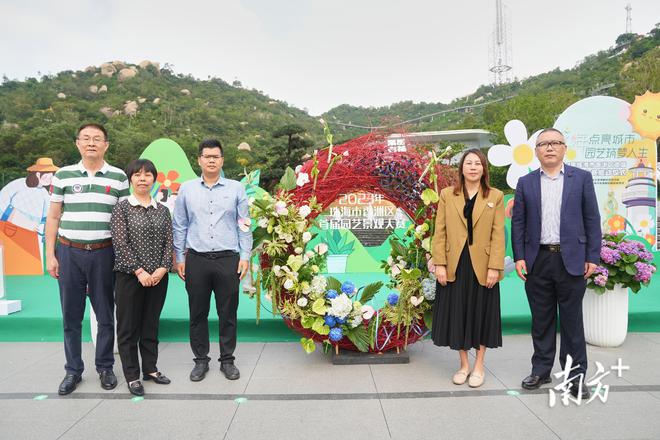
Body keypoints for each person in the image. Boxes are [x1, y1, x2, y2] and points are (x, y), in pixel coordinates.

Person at [511, 128, 601, 400]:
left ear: (564, 148)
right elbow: (519, 223)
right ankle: (541, 369)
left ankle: (576, 377)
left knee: (572, 321)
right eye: (543, 144)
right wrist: (519, 256)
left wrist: (592, 258)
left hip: (572, 260)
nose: (549, 148)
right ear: (536, 151)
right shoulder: (525, 183)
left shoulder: (581, 179)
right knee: (541, 319)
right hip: (538, 260)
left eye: (555, 143)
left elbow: (592, 220)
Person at [45, 123, 129, 395]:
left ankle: (105, 367)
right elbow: (54, 217)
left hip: (105, 253)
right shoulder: (63, 175)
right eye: (86, 138)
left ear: (106, 144)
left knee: (105, 314)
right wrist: (51, 255)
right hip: (70, 252)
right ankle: (73, 371)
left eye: (97, 139)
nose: (91, 143)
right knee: (71, 315)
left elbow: (125, 218)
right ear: (77, 143)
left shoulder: (118, 178)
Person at [173, 139, 252, 382]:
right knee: (197, 313)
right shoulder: (186, 189)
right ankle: (200, 361)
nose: (211, 160)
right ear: (199, 160)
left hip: (228, 259)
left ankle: (227, 361)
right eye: (206, 156)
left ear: (222, 160)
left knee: (228, 313)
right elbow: (180, 225)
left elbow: (244, 224)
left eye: (215, 156)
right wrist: (179, 258)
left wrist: (245, 255)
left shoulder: (236, 188)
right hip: (196, 259)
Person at [431, 148, 505, 388]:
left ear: (484, 169)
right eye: (468, 163)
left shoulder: (495, 195)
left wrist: (495, 267)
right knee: (458, 314)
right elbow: (439, 231)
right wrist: (440, 263)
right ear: (461, 168)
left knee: (481, 314)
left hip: (483, 266)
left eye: (478, 163)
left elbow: (498, 235)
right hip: (455, 264)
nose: (473, 167)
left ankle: (479, 366)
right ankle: (463, 365)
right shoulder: (446, 195)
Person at [110, 159, 173, 396]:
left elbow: (170, 242)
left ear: (154, 179)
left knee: (151, 324)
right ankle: (132, 376)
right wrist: (140, 271)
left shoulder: (163, 210)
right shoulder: (122, 208)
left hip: (158, 278)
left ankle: (151, 369)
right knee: (128, 328)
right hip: (129, 277)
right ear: (130, 179)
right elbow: (120, 243)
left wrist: (162, 269)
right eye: (137, 174)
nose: (143, 178)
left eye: (147, 174)